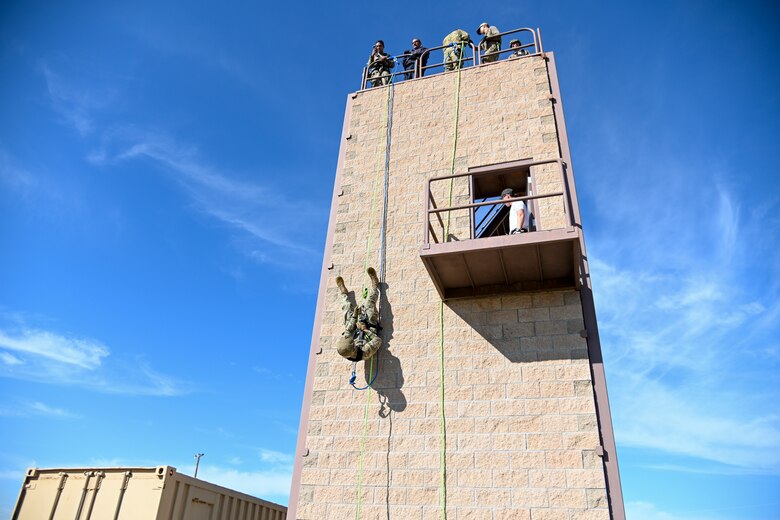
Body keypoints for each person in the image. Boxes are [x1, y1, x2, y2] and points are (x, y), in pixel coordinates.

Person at [335, 267, 382, 362]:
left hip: (356, 327)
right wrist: (364, 329)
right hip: (369, 329)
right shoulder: (364, 352)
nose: (354, 343)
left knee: (347, 307)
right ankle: (374, 285)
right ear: (353, 350)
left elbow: (348, 330)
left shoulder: (345, 343)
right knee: (369, 305)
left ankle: (344, 293)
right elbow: (377, 341)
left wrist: (355, 316)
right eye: (353, 344)